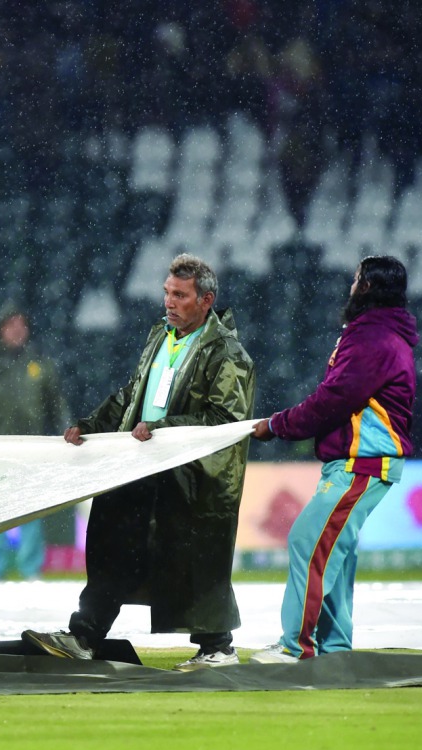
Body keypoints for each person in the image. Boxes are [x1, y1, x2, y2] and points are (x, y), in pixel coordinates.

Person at [23, 253, 256, 670]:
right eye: (167, 292)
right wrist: (91, 424)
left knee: (194, 560)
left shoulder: (228, 353)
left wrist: (163, 426)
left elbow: (224, 419)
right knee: (114, 546)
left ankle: (218, 646)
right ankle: (84, 635)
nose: (169, 302)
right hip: (143, 467)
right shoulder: (161, 336)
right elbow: (131, 395)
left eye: (180, 295)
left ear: (206, 301)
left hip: (192, 480)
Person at [249, 255, 417, 664]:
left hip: (363, 462)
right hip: (358, 461)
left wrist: (278, 425)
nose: (351, 285)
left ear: (369, 287)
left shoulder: (372, 338)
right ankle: (335, 649)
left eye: (357, 278)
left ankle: (296, 648)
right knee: (334, 553)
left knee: (309, 544)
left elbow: (334, 399)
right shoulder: (377, 335)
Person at [0, 301, 70, 581]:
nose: (17, 331)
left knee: (31, 507)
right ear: (0, 329)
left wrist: (67, 430)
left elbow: (55, 403)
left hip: (30, 446)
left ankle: (30, 569)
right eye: (11, 325)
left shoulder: (39, 362)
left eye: (21, 325)